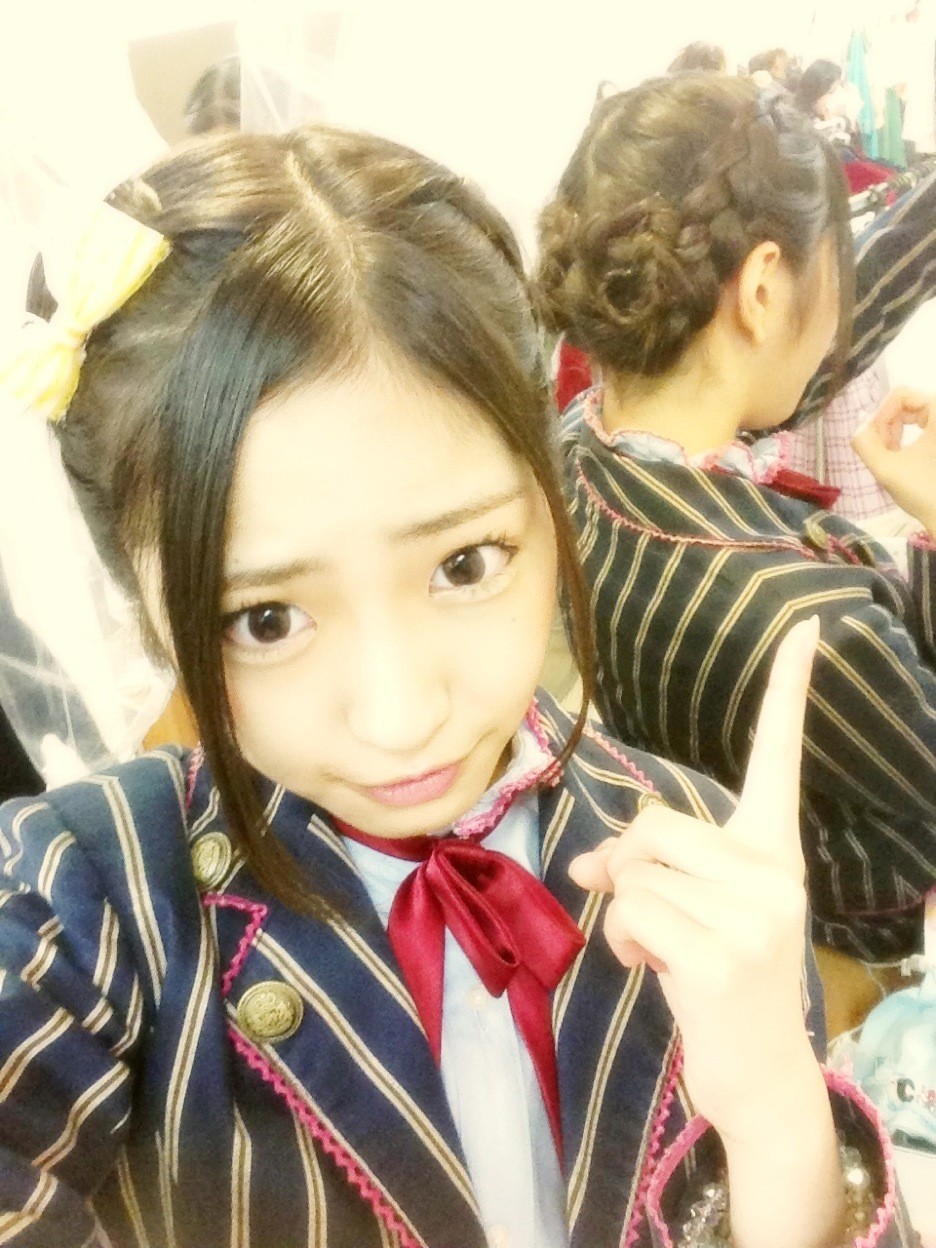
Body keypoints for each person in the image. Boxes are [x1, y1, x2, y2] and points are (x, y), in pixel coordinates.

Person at [0, 124, 900, 1248]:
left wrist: (775, 1115)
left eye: (466, 564)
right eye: (265, 619)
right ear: (149, 614)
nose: (401, 717)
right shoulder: (82, 895)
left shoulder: (701, 851)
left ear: (548, 497)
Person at [535, 73, 936, 964]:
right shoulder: (816, 625)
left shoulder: (580, 453)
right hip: (847, 930)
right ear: (760, 289)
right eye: (831, 270)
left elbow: (795, 360)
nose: (836, 316)